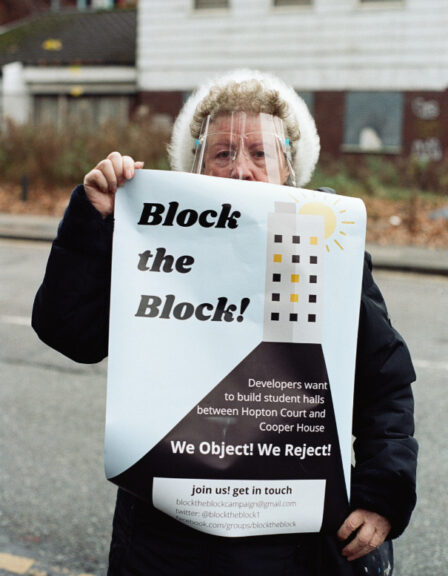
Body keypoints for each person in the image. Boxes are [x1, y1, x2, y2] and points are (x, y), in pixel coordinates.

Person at [32, 69, 417, 575]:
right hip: (164, 536)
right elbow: (69, 333)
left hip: (290, 542)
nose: (241, 170)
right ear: (194, 164)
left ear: (289, 168)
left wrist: (381, 496)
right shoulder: (158, 245)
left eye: (261, 154)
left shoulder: (326, 251)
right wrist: (93, 220)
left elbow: (384, 384)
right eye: (223, 153)